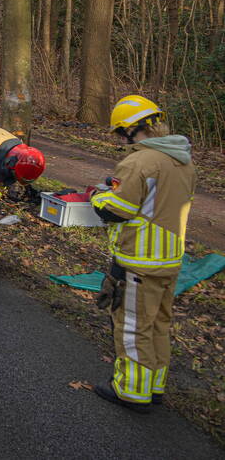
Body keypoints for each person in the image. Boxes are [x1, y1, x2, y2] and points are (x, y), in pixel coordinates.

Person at [89, 95, 195, 413]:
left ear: (136, 130)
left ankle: (132, 391)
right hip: (170, 259)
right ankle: (155, 386)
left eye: (122, 133)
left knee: (133, 326)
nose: (122, 141)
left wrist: (99, 198)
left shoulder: (139, 161)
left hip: (139, 259)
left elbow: (119, 209)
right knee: (158, 324)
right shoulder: (184, 160)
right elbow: (157, 202)